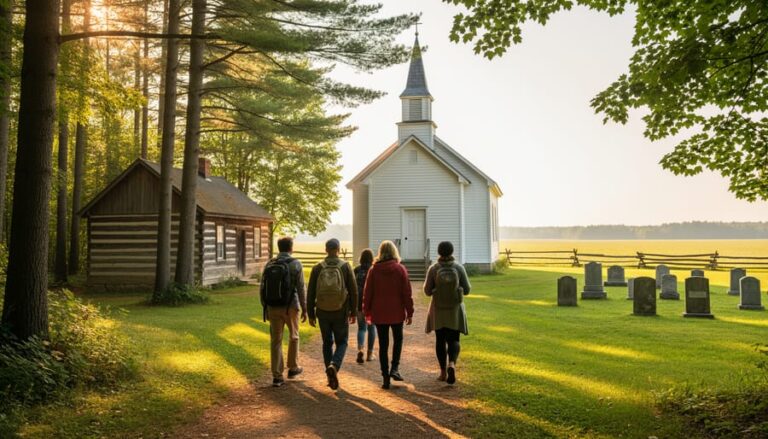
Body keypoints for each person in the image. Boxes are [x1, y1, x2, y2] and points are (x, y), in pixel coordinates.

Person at [307, 238, 357, 390]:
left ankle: (330, 374)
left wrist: (310, 313)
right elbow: (354, 290)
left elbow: (310, 292)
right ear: (339, 249)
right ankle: (334, 365)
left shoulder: (318, 268)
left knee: (327, 343)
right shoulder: (345, 266)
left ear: (325, 250)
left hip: (322, 311)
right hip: (340, 310)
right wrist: (353, 311)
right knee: (342, 342)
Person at [363, 240, 413, 389]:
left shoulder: (374, 270)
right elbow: (407, 293)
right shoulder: (400, 269)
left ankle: (385, 377)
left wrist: (367, 311)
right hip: (396, 311)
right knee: (398, 340)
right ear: (394, 252)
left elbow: (368, 292)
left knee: (383, 345)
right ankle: (394, 368)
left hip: (379, 312)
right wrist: (409, 312)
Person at [260, 236, 307, 387]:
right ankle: (293, 367)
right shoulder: (296, 264)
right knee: (294, 336)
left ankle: (277, 376)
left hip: (273, 307)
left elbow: (262, 288)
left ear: (279, 248)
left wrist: (265, 307)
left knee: (276, 341)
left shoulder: (270, 263)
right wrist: (305, 308)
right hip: (291, 307)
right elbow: (301, 288)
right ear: (291, 248)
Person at [423, 241, 471, 385]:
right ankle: (452, 364)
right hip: (455, 309)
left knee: (440, 340)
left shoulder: (434, 268)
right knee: (454, 339)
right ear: (452, 251)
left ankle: (443, 372)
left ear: (439, 252)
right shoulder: (458, 267)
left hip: (438, 309)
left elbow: (426, 291)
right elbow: (467, 289)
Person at [354, 249, 376, 364]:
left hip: (358, 303)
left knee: (361, 328)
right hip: (371, 304)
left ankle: (360, 349)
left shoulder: (357, 270)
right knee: (372, 328)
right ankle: (370, 353)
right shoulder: (374, 270)